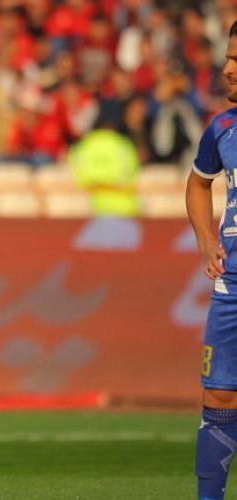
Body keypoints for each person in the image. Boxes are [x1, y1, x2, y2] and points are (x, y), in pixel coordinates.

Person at [187, 20, 237, 500]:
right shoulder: (222, 127)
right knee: (219, 394)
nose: (228, 69)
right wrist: (206, 239)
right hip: (233, 286)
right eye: (228, 58)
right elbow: (199, 183)